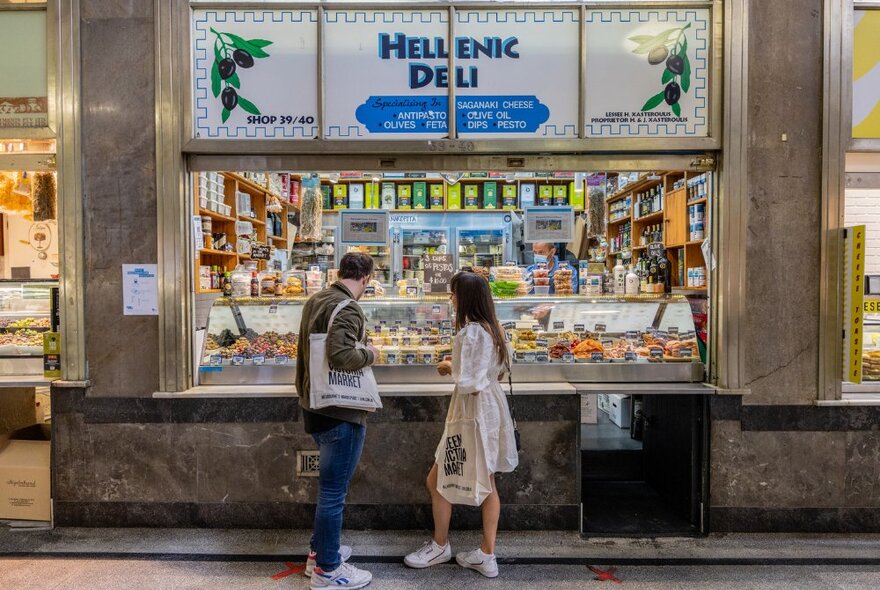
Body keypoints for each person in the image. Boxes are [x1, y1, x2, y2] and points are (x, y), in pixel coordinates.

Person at [404, 271, 519, 579]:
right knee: (489, 482)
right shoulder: (495, 329)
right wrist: (458, 365)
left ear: (465, 298)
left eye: (453, 294)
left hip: (471, 416)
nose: (451, 299)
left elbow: (469, 382)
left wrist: (447, 367)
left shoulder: (469, 333)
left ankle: (440, 546)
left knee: (437, 479)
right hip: (491, 411)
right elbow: (495, 371)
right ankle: (486, 553)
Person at [296, 252, 380, 590]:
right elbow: (342, 355)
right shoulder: (349, 307)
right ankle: (328, 571)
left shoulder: (316, 299)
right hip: (340, 411)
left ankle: (320, 553)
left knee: (329, 489)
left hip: (314, 405)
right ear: (366, 278)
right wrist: (372, 354)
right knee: (333, 493)